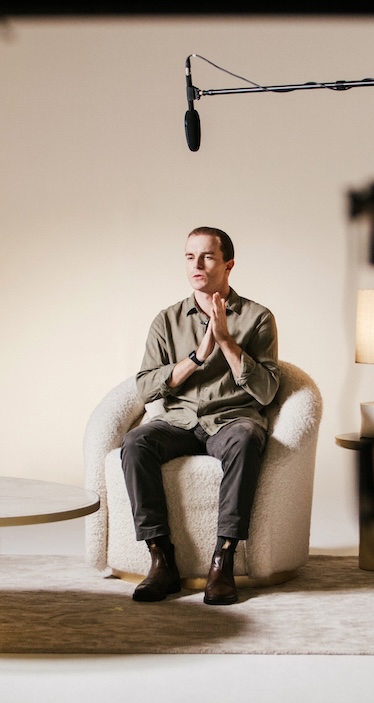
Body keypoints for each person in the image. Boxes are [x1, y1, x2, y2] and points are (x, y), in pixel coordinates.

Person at [120, 226, 280, 605]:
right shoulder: (167, 320)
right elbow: (145, 388)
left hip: (232, 420)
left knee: (246, 438)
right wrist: (195, 357)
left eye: (207, 256)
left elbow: (268, 390)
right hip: (179, 422)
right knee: (136, 442)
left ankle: (222, 560)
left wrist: (225, 340)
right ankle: (161, 561)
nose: (197, 265)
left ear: (228, 264)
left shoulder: (258, 318)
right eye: (190, 257)